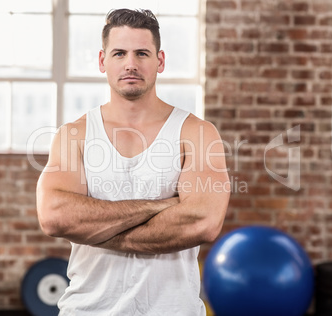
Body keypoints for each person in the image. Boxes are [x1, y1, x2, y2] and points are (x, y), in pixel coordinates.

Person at [36, 8, 230, 316]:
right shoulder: (74, 134)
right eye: (119, 53)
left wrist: (93, 227)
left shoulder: (197, 132)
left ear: (160, 61)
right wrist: (162, 205)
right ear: (103, 61)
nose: (130, 64)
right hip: (87, 310)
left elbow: (202, 222)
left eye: (142, 53)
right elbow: (55, 217)